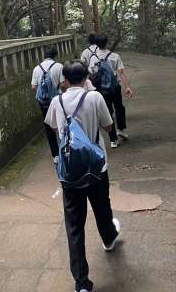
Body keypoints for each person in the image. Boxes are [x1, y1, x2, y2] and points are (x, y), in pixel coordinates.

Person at [45, 60, 120, 292]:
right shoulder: (94, 97)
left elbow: (54, 128)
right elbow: (109, 126)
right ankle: (109, 238)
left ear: (65, 80)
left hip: (70, 171)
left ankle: (81, 282)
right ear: (86, 77)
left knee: (74, 225)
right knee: (102, 207)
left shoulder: (56, 101)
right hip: (96, 168)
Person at [89, 34, 133, 148]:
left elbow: (91, 74)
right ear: (106, 43)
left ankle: (113, 140)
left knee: (108, 112)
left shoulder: (93, 58)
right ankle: (121, 130)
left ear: (96, 44)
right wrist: (127, 87)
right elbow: (121, 72)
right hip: (114, 87)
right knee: (119, 107)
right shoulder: (114, 56)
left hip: (101, 89)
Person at [31, 46, 65, 162]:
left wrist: (43, 92)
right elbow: (63, 84)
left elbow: (33, 87)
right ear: (55, 55)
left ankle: (55, 155)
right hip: (58, 100)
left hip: (44, 102)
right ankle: (65, 147)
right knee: (62, 122)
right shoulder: (59, 66)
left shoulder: (37, 68)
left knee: (48, 126)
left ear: (44, 55)